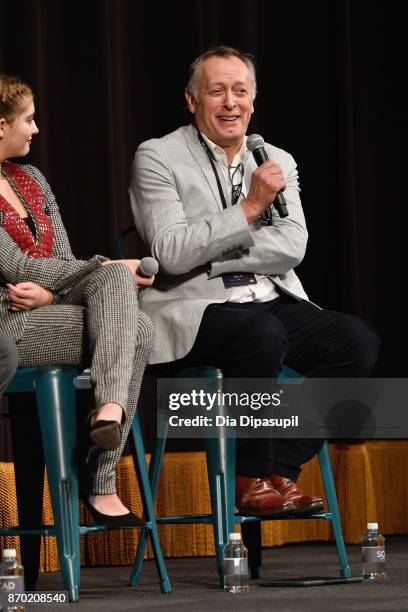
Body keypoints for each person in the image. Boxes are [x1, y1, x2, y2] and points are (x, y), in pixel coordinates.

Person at [129, 46, 380, 516]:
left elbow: (292, 246)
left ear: (253, 100)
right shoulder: (158, 157)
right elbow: (171, 252)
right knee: (260, 333)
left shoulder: (275, 158)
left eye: (240, 91)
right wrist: (249, 210)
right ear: (191, 99)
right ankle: (249, 475)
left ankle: (280, 468)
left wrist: (213, 253)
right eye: (217, 91)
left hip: (267, 297)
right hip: (193, 306)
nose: (230, 103)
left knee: (355, 340)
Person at [0, 73, 154, 527]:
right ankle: (101, 479)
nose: (36, 129)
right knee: (136, 325)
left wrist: (64, 285)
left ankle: (107, 413)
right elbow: (13, 267)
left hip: (47, 302)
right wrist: (106, 263)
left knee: (114, 286)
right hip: (10, 320)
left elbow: (62, 259)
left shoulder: (31, 179)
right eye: (28, 120)